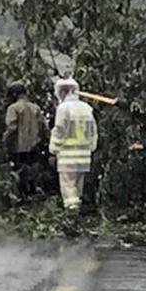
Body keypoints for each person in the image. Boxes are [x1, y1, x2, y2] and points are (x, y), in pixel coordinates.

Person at [48, 77, 97, 211]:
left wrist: (53, 149)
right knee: (78, 184)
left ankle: (71, 214)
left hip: (68, 154)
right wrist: (91, 147)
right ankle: (78, 207)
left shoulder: (63, 108)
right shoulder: (87, 108)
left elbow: (60, 130)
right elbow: (93, 130)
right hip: (84, 153)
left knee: (68, 184)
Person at [4, 81, 46, 166]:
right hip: (34, 150)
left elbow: (12, 128)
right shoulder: (36, 108)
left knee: (20, 175)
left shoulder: (13, 108)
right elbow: (44, 128)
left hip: (19, 150)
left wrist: (4, 142)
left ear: (14, 95)